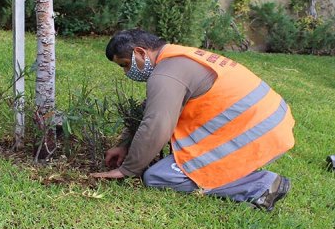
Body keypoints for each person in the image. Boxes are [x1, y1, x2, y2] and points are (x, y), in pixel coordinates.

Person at [91, 29, 295, 211]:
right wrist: (124, 145)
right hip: (269, 125)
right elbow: (152, 109)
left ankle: (261, 185)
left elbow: (156, 125)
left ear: (141, 52)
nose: (127, 73)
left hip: (258, 134)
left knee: (159, 176)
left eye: (126, 65)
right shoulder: (178, 58)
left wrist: (128, 169)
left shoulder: (166, 74)